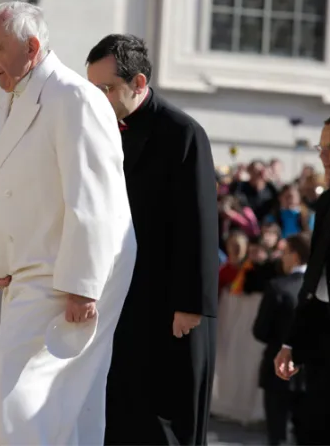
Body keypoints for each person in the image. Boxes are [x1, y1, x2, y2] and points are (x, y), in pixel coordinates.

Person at [0, 3, 137, 445]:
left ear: (32, 47)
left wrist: (84, 285)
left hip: (68, 272)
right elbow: (3, 185)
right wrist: (4, 259)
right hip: (31, 268)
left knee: (17, 398)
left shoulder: (75, 96)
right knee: (46, 404)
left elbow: (94, 198)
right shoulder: (11, 92)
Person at [86, 34, 219, 445]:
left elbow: (198, 221)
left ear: (139, 83)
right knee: (117, 412)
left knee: (163, 421)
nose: (98, 98)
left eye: (107, 89)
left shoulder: (182, 132)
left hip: (169, 308)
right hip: (120, 299)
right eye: (92, 89)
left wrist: (189, 305)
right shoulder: (96, 127)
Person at [275, 112, 330, 445]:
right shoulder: (326, 202)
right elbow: (315, 280)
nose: (322, 155)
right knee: (314, 430)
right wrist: (292, 342)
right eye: (319, 146)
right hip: (324, 344)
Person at [252, 233, 311, 445]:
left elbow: (260, 331)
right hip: (311, 372)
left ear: (295, 256)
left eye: (284, 253)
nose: (281, 258)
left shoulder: (277, 287)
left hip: (277, 371)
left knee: (277, 436)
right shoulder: (322, 288)